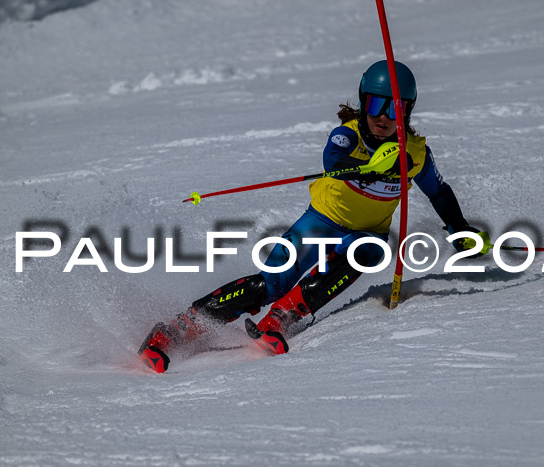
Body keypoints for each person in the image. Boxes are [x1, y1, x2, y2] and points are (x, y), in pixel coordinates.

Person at [138, 60, 489, 373]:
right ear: (363, 102)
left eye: (394, 108)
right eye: (375, 105)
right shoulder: (347, 134)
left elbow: (439, 192)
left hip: (363, 234)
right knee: (270, 284)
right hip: (319, 224)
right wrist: (368, 168)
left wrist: (459, 229)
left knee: (369, 250)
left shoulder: (415, 154)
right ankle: (175, 331)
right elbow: (333, 161)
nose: (383, 117)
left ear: (408, 111)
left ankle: (282, 318)